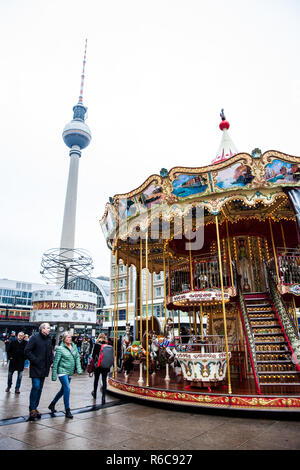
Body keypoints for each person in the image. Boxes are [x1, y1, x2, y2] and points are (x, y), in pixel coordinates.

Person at [48, 331, 82, 419]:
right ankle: (67, 410)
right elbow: (56, 362)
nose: (69, 339)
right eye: (67, 337)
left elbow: (77, 358)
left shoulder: (74, 346)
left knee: (63, 390)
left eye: (70, 337)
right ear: (64, 339)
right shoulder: (60, 348)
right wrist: (54, 375)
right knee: (67, 388)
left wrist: (79, 369)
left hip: (70, 371)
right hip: (62, 371)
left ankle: (52, 404)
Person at [24, 323, 53, 421]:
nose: (49, 329)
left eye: (49, 328)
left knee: (40, 388)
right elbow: (27, 351)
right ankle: (32, 408)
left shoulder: (49, 339)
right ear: (42, 329)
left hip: (44, 368)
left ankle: (35, 407)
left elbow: (50, 352)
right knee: (35, 386)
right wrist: (35, 360)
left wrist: (50, 362)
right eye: (48, 328)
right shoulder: (34, 338)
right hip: (36, 367)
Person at [90, 333, 113, 405]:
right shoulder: (108, 345)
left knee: (96, 380)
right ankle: (103, 397)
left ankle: (95, 394)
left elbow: (93, 356)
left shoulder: (96, 345)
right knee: (104, 381)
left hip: (98, 366)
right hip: (105, 367)